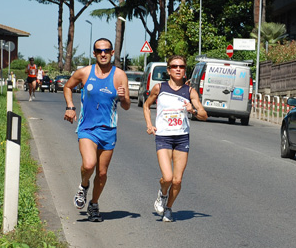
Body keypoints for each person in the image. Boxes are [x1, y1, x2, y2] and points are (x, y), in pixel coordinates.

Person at [63, 38, 131, 222]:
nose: (103, 54)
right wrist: (70, 106)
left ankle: (94, 204)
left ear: (112, 53)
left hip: (108, 130)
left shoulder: (119, 75)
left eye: (106, 50)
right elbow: (68, 87)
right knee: (88, 164)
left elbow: (126, 106)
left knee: (101, 173)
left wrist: (124, 98)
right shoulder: (84, 73)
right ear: (94, 53)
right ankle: (84, 186)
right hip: (87, 128)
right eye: (99, 51)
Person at [143, 55, 207, 222]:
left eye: (181, 67)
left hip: (182, 138)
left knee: (177, 181)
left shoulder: (190, 91)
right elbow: (146, 105)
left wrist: (192, 109)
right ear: (168, 70)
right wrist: (150, 124)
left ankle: (168, 208)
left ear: (185, 70)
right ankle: (162, 194)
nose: (178, 69)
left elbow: (204, 115)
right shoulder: (159, 88)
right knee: (168, 177)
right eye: (174, 66)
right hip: (163, 136)